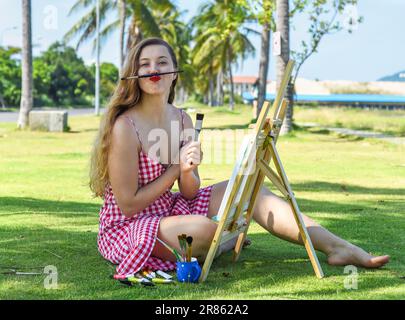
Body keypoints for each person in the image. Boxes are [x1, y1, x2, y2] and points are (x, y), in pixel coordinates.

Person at [89, 38, 389, 277]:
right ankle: (225, 241)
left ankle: (337, 246)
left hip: (169, 209)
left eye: (162, 62)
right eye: (145, 64)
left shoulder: (182, 120)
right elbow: (128, 204)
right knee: (205, 230)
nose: (154, 68)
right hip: (130, 225)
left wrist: (188, 171)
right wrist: (174, 170)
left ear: (174, 73)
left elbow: (190, 191)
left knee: (252, 192)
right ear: (135, 74)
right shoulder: (124, 127)